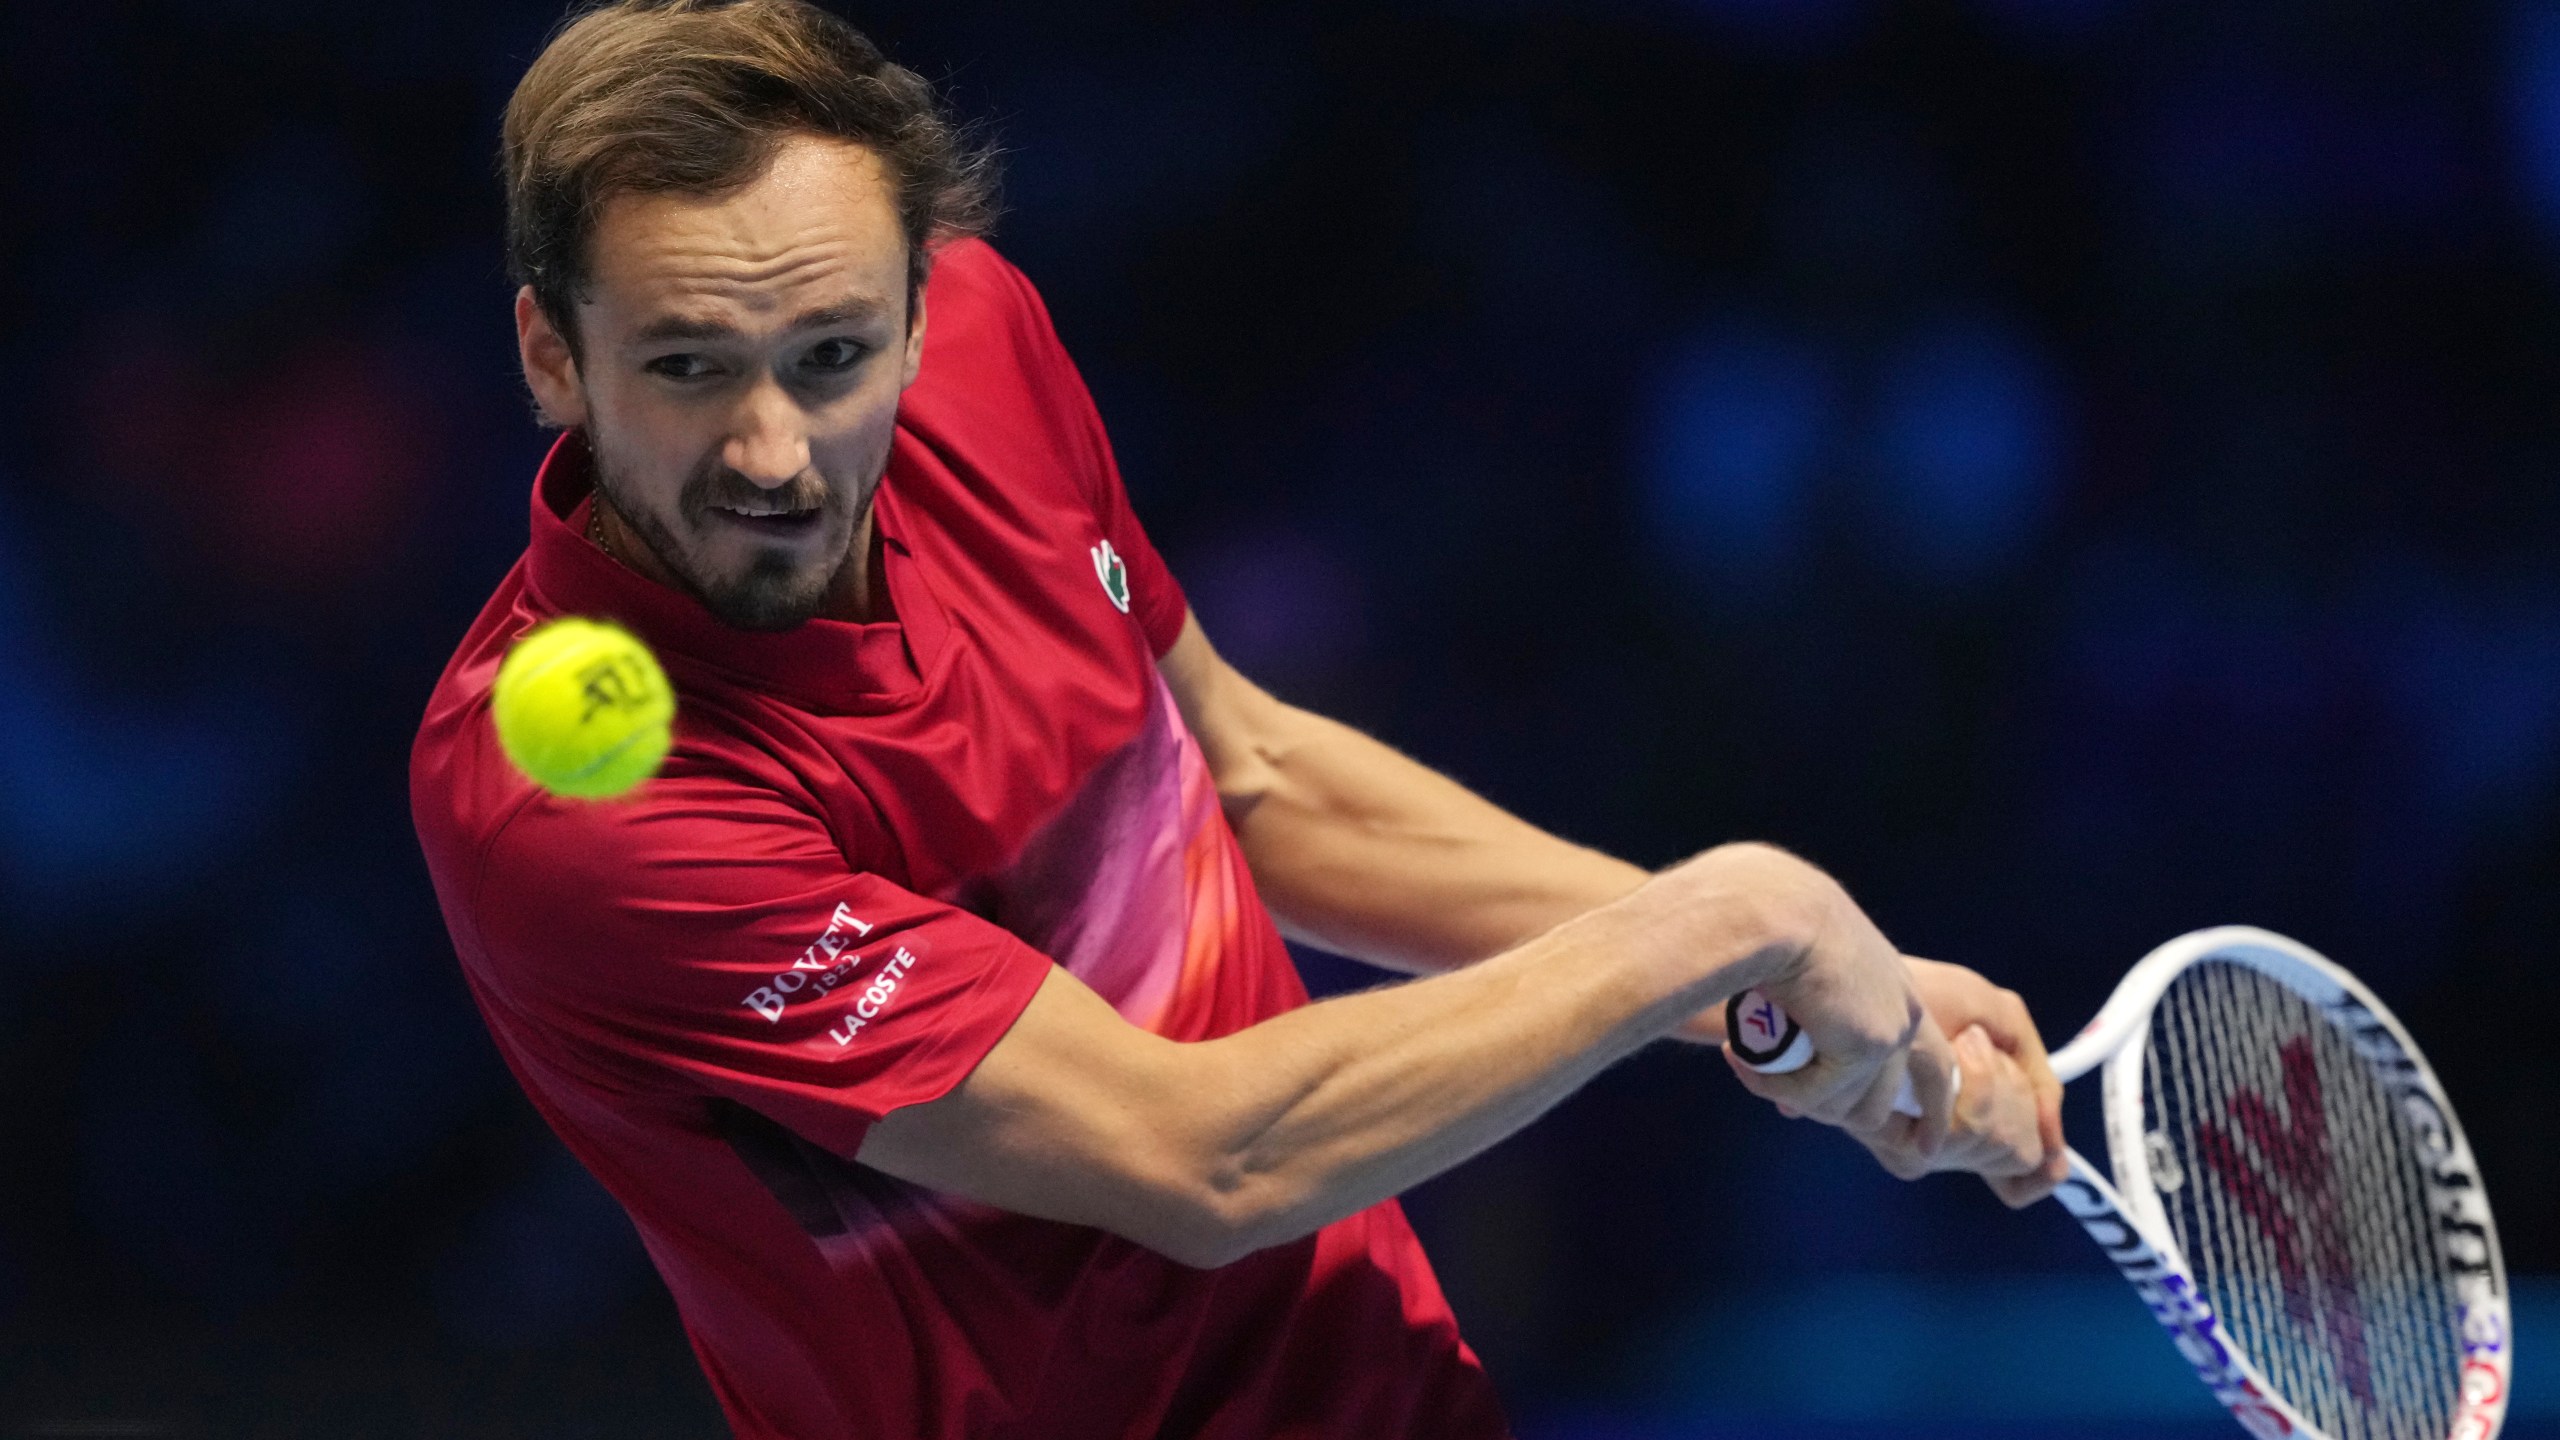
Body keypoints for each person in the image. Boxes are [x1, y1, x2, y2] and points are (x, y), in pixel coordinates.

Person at [410, 2, 2069, 1435]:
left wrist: (1775, 992)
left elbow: (1252, 778)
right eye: (689, 367)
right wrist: (1731, 920)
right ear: (553, 356)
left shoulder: (986, 350)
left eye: (833, 354)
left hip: (1389, 1390)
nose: (774, 450)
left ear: (920, 311)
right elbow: (1200, 1161)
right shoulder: (570, 814)